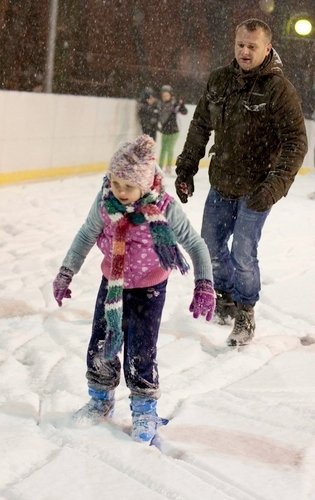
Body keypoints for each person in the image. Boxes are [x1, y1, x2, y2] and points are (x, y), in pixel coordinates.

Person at [53, 135, 215, 444]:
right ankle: (100, 399)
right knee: (101, 343)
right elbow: (86, 234)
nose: (120, 191)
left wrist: (204, 283)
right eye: (115, 183)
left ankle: (144, 409)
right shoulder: (105, 202)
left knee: (141, 349)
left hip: (149, 289)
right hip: (112, 285)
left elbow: (195, 243)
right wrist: (65, 272)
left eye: (128, 186)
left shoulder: (165, 208)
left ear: (146, 184)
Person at [175, 18, 307, 347]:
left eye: (252, 46)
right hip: (222, 181)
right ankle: (226, 296)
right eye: (240, 45)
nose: (245, 52)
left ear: (267, 48)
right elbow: (200, 125)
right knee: (209, 247)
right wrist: (186, 168)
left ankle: (245, 310)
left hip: (258, 189)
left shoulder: (279, 89)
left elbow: (296, 143)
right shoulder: (220, 81)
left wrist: (274, 186)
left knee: (243, 253)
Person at [159, 85, 188, 174]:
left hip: (174, 130)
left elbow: (184, 112)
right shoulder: (161, 105)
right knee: (163, 149)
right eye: (163, 96)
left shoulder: (176, 104)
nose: (165, 97)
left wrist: (181, 104)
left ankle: (168, 167)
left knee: (170, 149)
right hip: (165, 130)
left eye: (167, 95)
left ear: (171, 95)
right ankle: (159, 167)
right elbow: (159, 117)